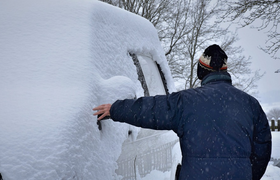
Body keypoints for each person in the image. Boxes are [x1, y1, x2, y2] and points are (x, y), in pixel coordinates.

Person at [93, 44, 271, 180]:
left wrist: (115, 109)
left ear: (202, 72)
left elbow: (150, 109)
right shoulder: (251, 105)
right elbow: (262, 151)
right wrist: (244, 174)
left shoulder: (186, 102)